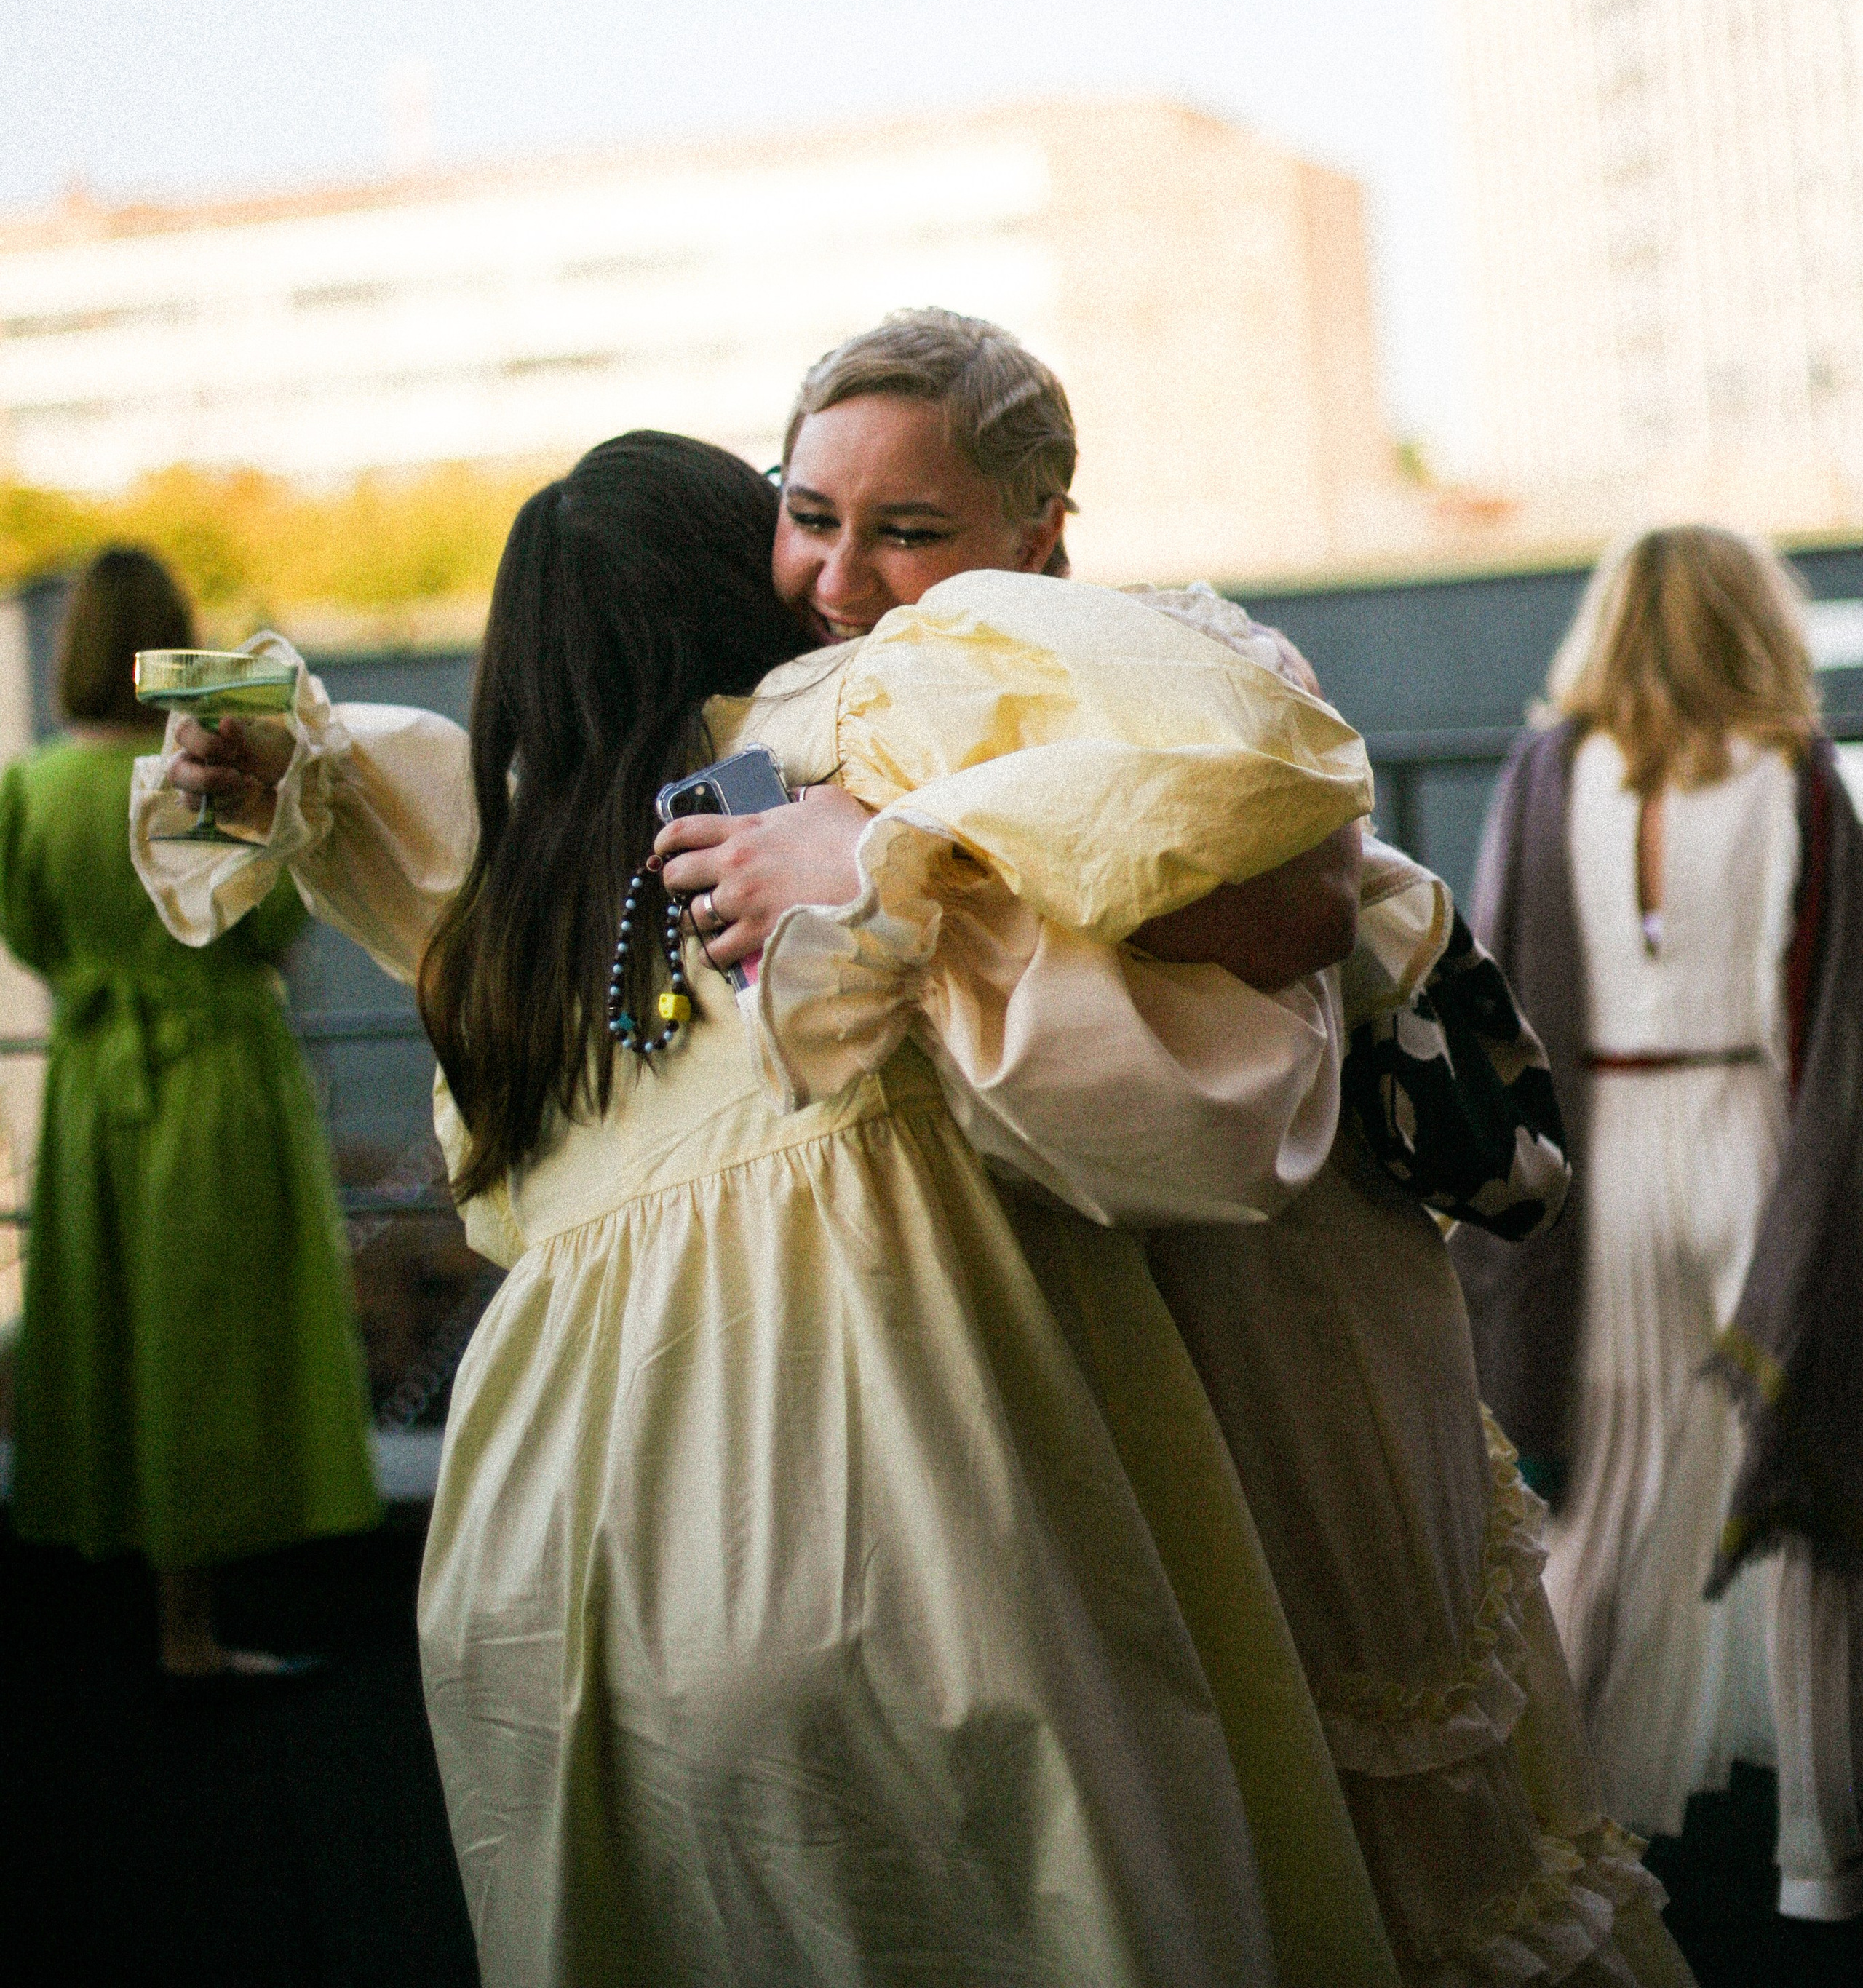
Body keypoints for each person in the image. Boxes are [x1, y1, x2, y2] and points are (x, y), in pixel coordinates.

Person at [135, 430, 1397, 1988]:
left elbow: (345, 796)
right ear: (747, 579)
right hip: (895, 1479)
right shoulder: (844, 782)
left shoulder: (510, 899)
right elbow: (1231, 885)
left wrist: (256, 763)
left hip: (547, 1548)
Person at [654, 311, 1691, 1988]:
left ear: (1041, 528)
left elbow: (1289, 902)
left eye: (906, 530)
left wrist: (891, 856)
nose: (838, 572)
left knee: (1383, 1799)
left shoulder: (1180, 652)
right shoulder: (766, 707)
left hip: (1271, 1294)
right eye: (809, 510)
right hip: (1034, 1326)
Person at [1456, 526, 1863, 1926]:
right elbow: (1844, 1010)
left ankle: (1559, 1828)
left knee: (1606, 1497)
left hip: (1604, 1159)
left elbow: (1495, 975)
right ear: (1755, 624)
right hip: (1760, 1143)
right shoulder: (1799, 777)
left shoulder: (1549, 769)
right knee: (1801, 1493)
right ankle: (1821, 1862)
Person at [0, 545, 377, 1678]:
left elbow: (28, 937)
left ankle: (124, 1601)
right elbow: (263, 932)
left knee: (110, 1326)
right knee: (206, 1336)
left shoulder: (30, 787)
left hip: (91, 1079)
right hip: (216, 1073)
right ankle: (192, 1626)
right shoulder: (201, 774)